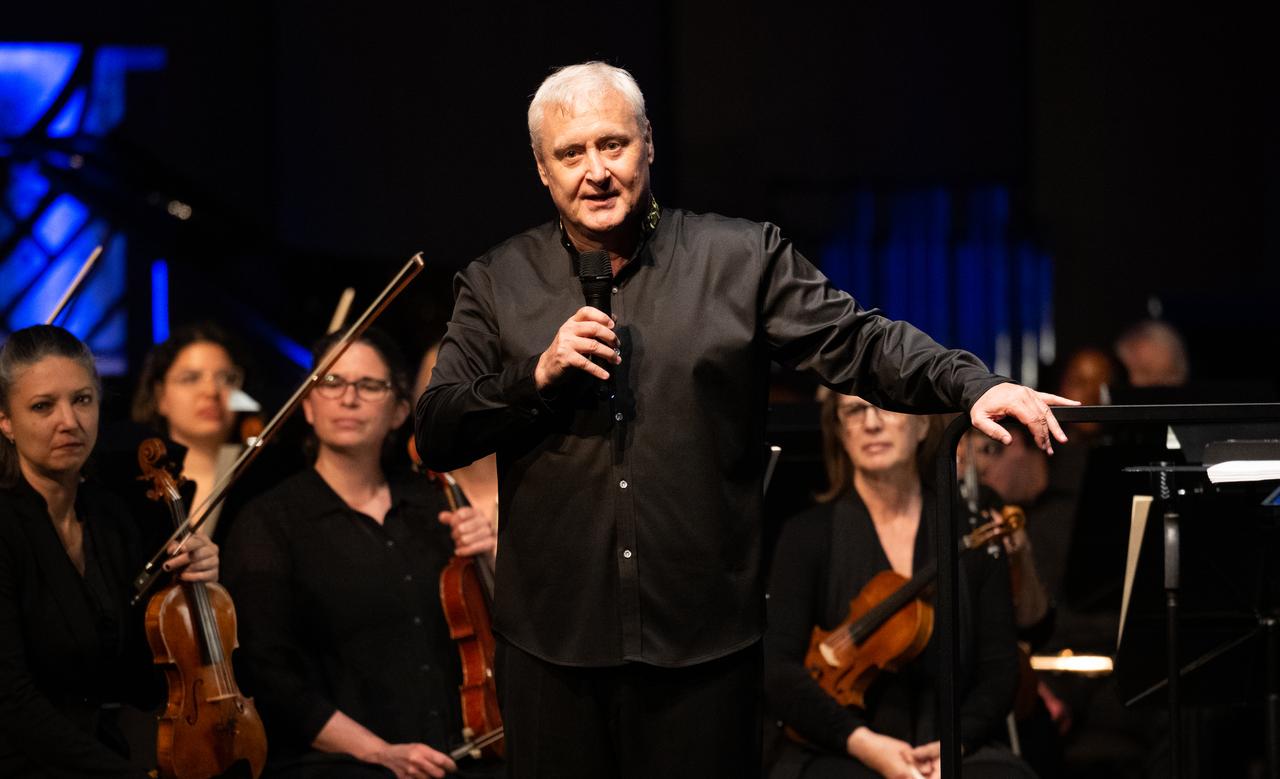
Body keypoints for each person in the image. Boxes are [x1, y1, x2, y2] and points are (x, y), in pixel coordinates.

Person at [416, 61, 1075, 777]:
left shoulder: (740, 258)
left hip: (704, 647)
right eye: (571, 153)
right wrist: (534, 377)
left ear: (649, 144)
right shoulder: (495, 282)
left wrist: (968, 384)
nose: (596, 171)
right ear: (543, 171)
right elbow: (440, 426)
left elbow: (858, 341)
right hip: (551, 649)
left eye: (613, 144)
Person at [223, 329, 500, 779]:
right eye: (331, 383)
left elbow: (498, 632)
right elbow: (270, 676)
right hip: (341, 765)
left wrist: (487, 558)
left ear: (400, 411)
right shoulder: (268, 522)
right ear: (308, 406)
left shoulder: (437, 504)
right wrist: (378, 753)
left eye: (370, 385)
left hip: (458, 755)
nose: (348, 398)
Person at [764, 393, 1034, 778]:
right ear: (839, 431)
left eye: (886, 408)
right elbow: (779, 670)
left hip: (955, 748)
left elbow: (1000, 670)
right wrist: (864, 744)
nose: (871, 424)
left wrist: (954, 746)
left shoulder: (971, 532)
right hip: (843, 748)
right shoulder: (807, 536)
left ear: (923, 425)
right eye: (854, 411)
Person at [0, 324, 219, 777]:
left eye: (82, 399)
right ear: (5, 421)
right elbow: (12, 702)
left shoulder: (111, 516)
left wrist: (188, 585)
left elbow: (138, 676)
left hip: (112, 753)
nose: (70, 421)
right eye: (43, 406)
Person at [130, 323, 249, 543]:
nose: (211, 391)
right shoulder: (130, 490)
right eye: (191, 378)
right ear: (160, 396)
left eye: (226, 378)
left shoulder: (260, 481)